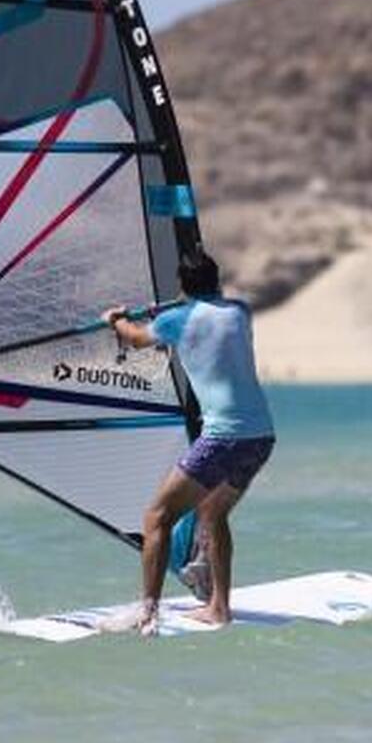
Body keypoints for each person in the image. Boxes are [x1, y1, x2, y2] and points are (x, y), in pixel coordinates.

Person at [103, 247, 275, 634]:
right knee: (213, 515)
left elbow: (134, 339)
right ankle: (219, 608)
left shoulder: (176, 319)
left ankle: (147, 613)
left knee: (156, 517)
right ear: (216, 282)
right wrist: (174, 312)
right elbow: (206, 326)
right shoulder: (239, 312)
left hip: (223, 437)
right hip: (260, 436)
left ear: (182, 286)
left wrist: (115, 320)